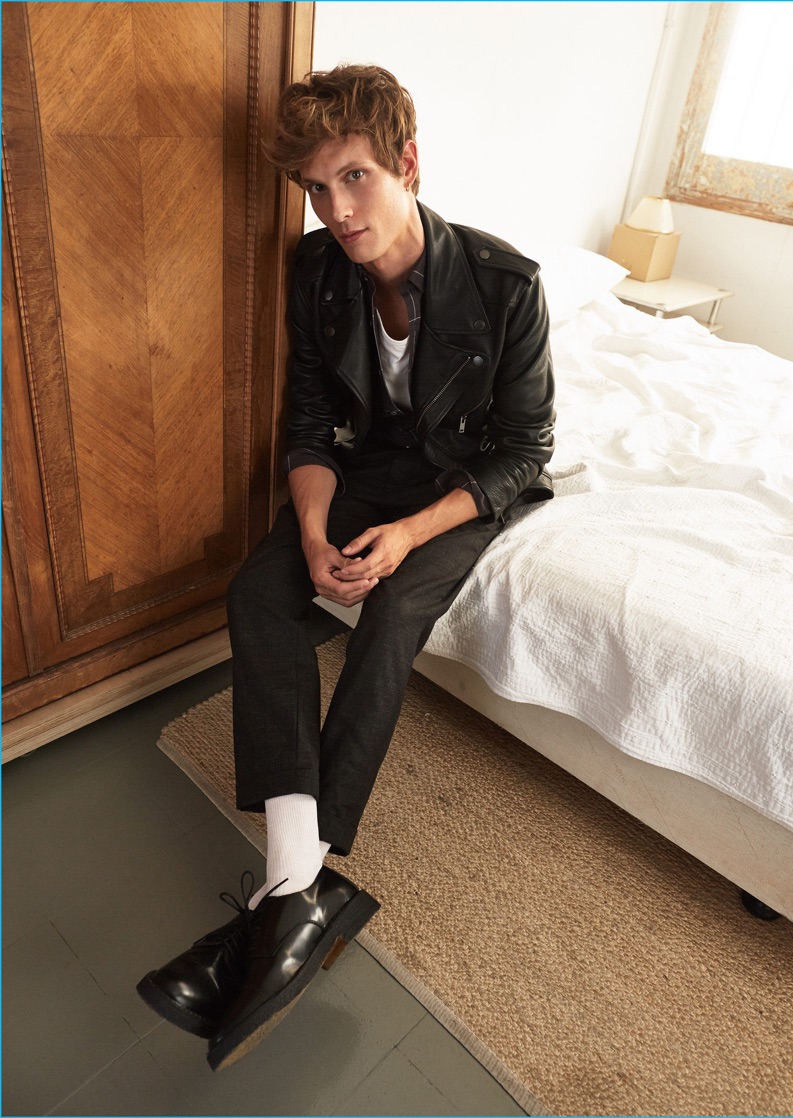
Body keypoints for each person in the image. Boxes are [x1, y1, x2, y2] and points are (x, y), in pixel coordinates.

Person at [136, 63, 555, 1071]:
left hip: (460, 485)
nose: (336, 209)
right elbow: (312, 420)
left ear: (407, 162)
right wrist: (314, 532)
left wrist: (408, 535)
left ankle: (279, 904)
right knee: (259, 589)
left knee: (394, 611)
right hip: (364, 473)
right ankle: (298, 896)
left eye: (354, 177)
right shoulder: (318, 268)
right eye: (317, 188)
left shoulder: (506, 283)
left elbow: (525, 446)